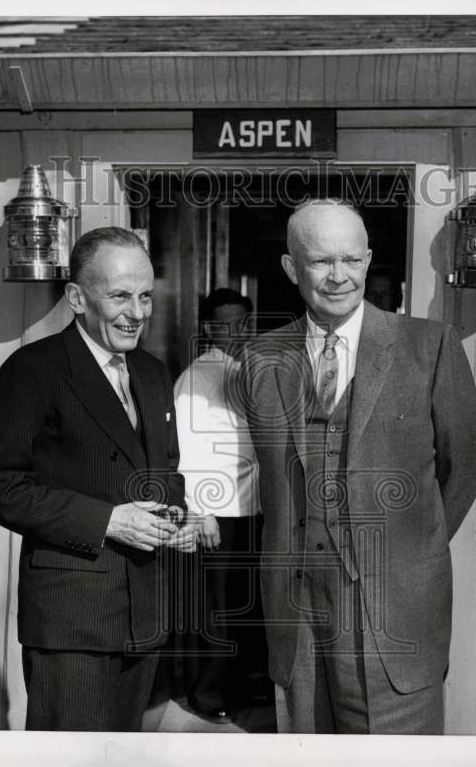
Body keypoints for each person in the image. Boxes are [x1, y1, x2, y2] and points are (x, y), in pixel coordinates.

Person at [241, 199, 476, 734]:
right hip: (298, 607)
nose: (338, 277)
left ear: (369, 260)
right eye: (321, 261)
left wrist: (410, 548)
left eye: (351, 260)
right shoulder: (260, 357)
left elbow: (463, 469)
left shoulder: (429, 346)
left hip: (395, 610)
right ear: (291, 268)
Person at [0, 226, 196, 731]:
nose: (137, 313)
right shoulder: (33, 369)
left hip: (144, 610)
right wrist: (107, 521)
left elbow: (165, 469)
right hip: (71, 619)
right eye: (119, 296)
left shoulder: (153, 372)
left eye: (144, 296)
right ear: (76, 297)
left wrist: (174, 513)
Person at [172, 288, 268, 722]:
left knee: (243, 605)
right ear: (209, 328)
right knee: (215, 610)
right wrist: (200, 511)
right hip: (217, 512)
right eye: (225, 324)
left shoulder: (246, 369)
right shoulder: (197, 377)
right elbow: (186, 450)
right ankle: (207, 695)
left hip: (250, 507)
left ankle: (239, 687)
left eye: (243, 323)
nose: (236, 332)